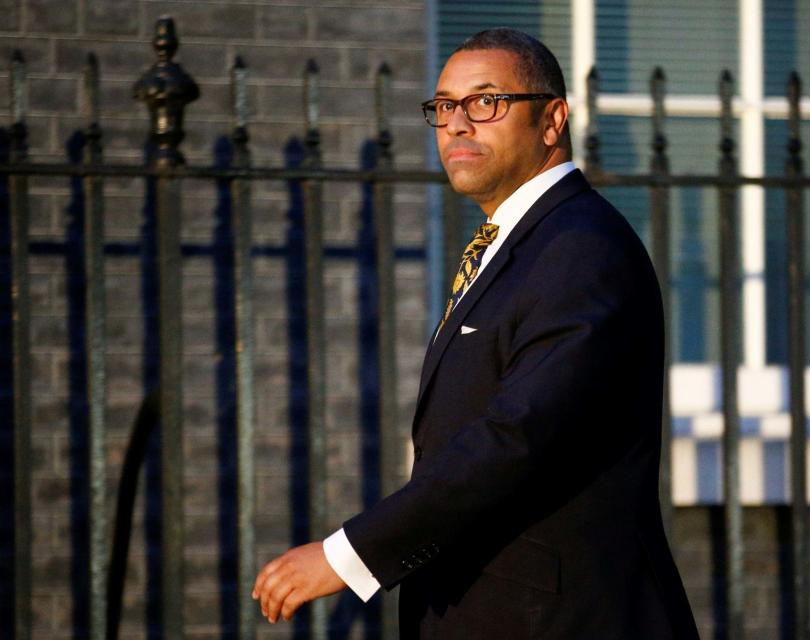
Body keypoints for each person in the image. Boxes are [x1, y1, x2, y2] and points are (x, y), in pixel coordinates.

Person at [253, 27, 699, 639]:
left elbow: (517, 436)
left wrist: (345, 555)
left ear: (552, 120)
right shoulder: (517, 242)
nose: (457, 124)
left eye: (485, 101)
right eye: (443, 106)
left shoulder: (582, 250)